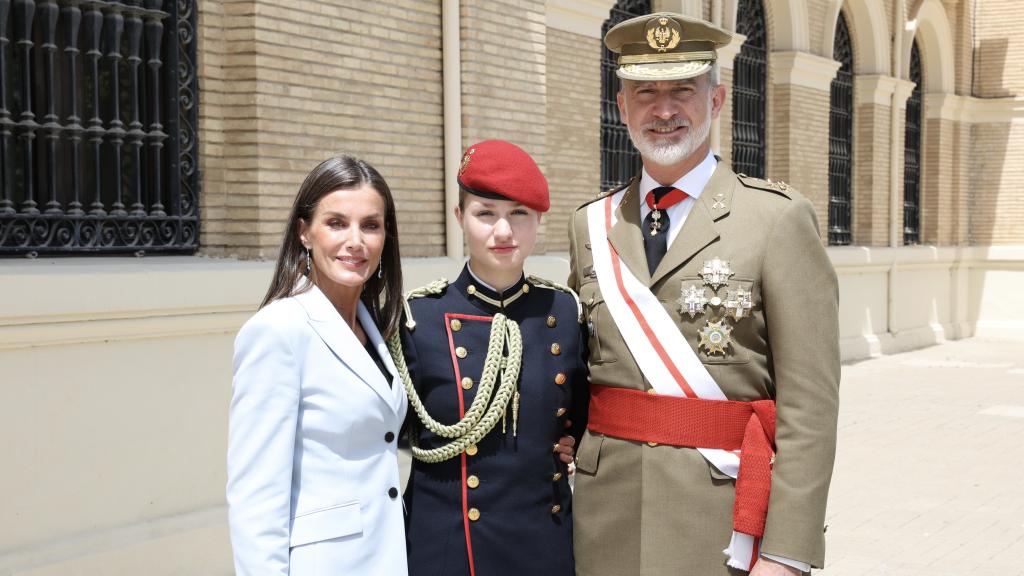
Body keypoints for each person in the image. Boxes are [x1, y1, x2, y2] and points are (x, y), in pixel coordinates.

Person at [568, 12, 841, 576]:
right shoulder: (590, 225)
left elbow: (810, 406)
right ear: (622, 108)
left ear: (716, 101)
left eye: (683, 91)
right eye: (645, 92)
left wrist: (787, 554)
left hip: (720, 520)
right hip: (604, 518)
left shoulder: (776, 220)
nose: (664, 110)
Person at [390, 140, 587, 576]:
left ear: (539, 220)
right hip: (448, 548)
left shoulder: (565, 313)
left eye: (519, 213)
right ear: (459, 218)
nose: (504, 231)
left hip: (544, 544)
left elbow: (584, 419)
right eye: (485, 213)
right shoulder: (417, 318)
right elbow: (393, 436)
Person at [227, 155, 409, 575]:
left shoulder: (377, 329)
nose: (355, 241)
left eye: (370, 225)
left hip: (387, 557)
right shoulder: (278, 331)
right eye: (336, 223)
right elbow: (256, 495)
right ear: (304, 232)